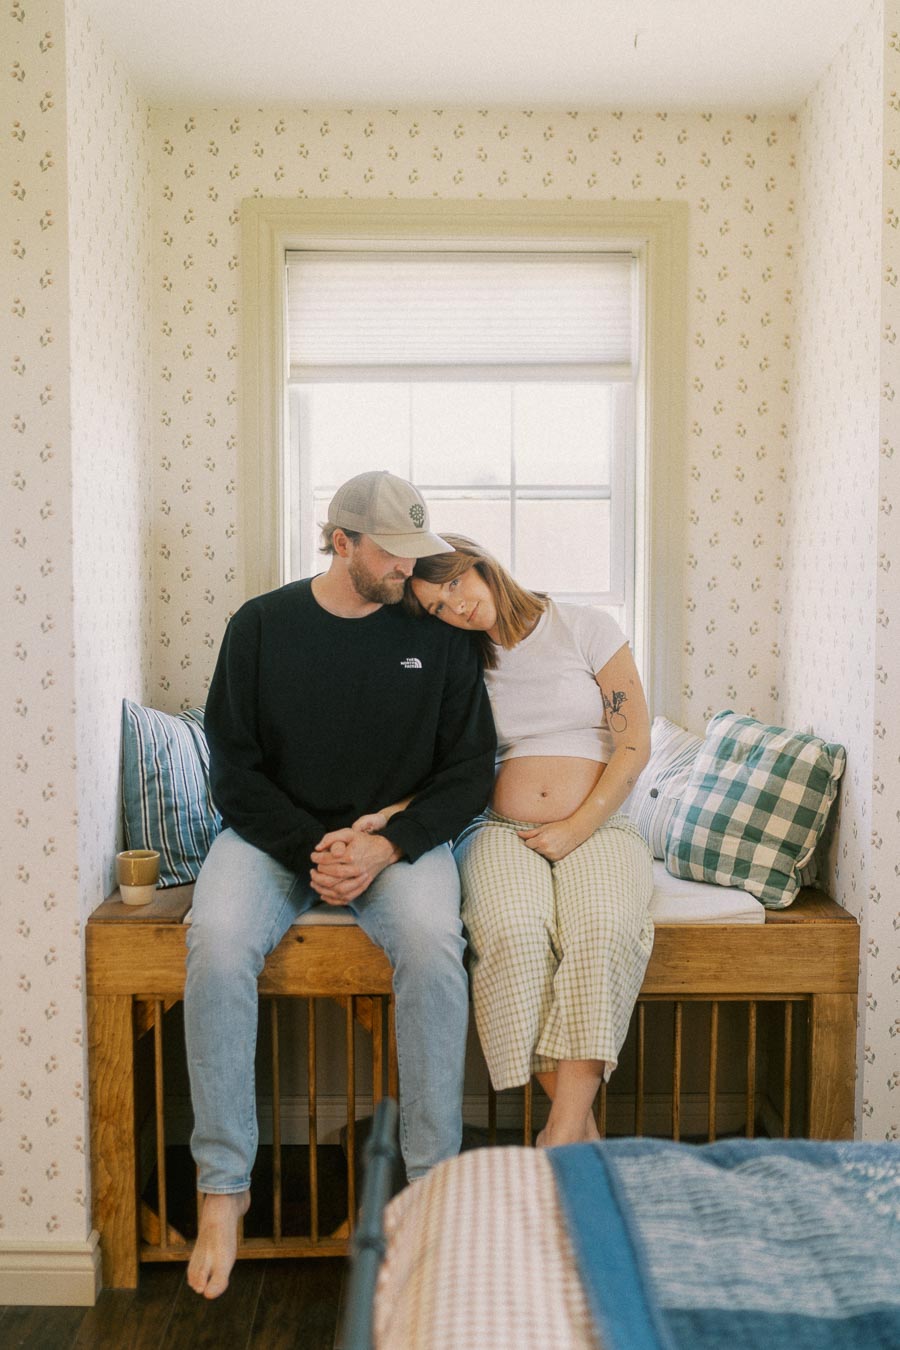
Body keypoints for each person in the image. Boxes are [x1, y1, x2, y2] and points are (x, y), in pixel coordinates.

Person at [184, 476, 496, 1299]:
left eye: (417, 553)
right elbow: (233, 770)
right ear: (341, 542)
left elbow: (468, 772)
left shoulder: (437, 637)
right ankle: (223, 1187)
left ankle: (431, 1187)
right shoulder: (261, 625)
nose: (408, 570)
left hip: (392, 844)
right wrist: (311, 849)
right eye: (392, 554)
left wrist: (385, 845)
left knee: (434, 945)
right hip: (272, 839)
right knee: (216, 941)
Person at [406, 536, 654, 1148]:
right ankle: (581, 1133)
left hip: (598, 824)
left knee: (603, 927)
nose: (455, 606)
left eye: (454, 584)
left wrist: (577, 826)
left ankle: (562, 1132)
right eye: (437, 606)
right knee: (511, 933)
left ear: (478, 564)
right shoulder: (462, 661)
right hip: (500, 829)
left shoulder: (585, 627)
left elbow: (634, 742)